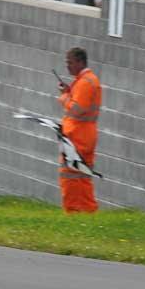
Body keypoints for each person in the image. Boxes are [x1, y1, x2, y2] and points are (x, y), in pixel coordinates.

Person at [57, 47, 102, 213]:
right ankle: (87, 211)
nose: (67, 66)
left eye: (70, 62)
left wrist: (63, 97)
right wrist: (69, 92)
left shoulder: (85, 82)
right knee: (82, 176)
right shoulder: (87, 81)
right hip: (83, 136)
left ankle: (73, 212)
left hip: (77, 137)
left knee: (70, 175)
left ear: (80, 62)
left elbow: (77, 109)